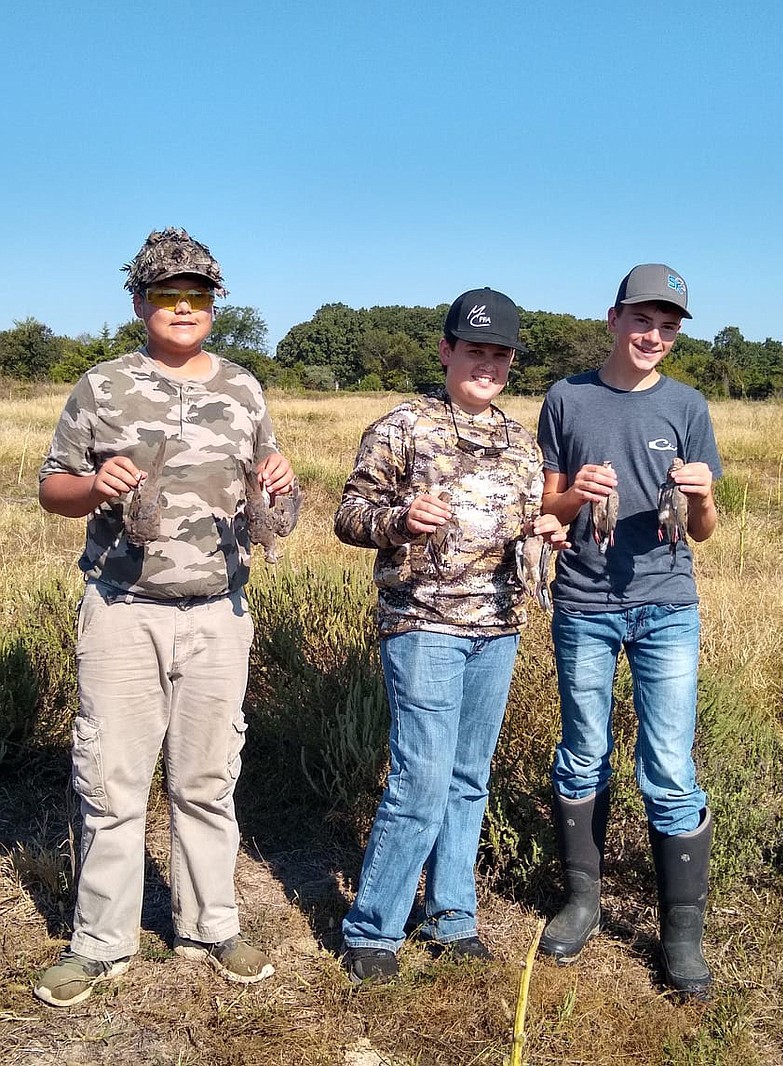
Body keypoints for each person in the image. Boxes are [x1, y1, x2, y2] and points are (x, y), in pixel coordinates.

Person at [34, 228, 296, 1007]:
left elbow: (267, 490)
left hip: (220, 612)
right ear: (140, 302)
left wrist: (277, 482)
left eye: (198, 296)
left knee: (208, 779)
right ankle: (99, 942)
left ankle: (211, 925)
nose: (183, 309)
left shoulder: (245, 388)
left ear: (215, 303)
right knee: (111, 782)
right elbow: (53, 490)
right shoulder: (102, 386)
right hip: (123, 610)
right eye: (166, 295)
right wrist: (95, 486)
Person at [334, 287, 568, 985]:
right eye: (475, 350)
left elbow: (530, 527)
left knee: (468, 779)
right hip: (423, 625)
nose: (487, 365)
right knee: (422, 778)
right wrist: (401, 518)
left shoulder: (521, 442)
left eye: (500, 354)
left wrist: (548, 531)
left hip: (499, 627)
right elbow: (349, 514)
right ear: (447, 350)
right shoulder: (402, 426)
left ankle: (451, 917)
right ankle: (374, 927)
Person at [536, 263, 722, 998]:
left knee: (671, 767)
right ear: (613, 319)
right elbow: (546, 504)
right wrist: (577, 494)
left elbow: (702, 531)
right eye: (642, 321)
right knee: (583, 754)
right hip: (583, 601)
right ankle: (583, 902)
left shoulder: (689, 405)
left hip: (667, 606)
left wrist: (701, 496)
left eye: (668, 326)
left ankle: (681, 936)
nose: (654, 336)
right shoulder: (566, 397)